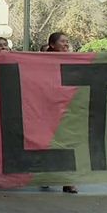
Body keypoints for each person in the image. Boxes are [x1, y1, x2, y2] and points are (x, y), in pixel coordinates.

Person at [45, 32, 78, 194]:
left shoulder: (72, 60)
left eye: (67, 41)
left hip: (66, 109)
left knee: (67, 142)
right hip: (46, 108)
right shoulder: (40, 62)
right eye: (62, 41)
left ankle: (67, 180)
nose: (66, 44)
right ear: (52, 44)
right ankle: (45, 175)